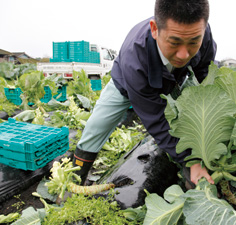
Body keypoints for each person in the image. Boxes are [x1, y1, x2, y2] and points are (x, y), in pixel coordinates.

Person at [73, 0, 217, 188]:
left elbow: (204, 77)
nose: (183, 54)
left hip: (174, 79)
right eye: (174, 42)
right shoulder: (135, 58)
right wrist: (191, 161)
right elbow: (156, 119)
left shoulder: (202, 36)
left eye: (193, 42)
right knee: (96, 126)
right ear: (155, 29)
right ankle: (74, 179)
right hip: (126, 83)